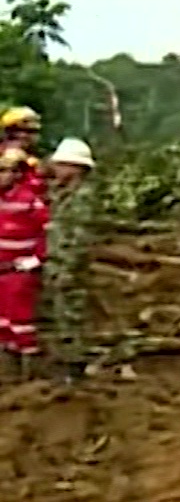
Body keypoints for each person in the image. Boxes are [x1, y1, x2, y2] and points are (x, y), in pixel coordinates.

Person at [41, 138, 97, 379]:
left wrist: (69, 270)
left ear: (76, 168)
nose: (57, 170)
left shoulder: (83, 199)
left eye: (62, 165)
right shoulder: (62, 194)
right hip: (56, 264)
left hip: (69, 268)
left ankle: (74, 367)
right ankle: (64, 364)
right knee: (59, 316)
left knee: (71, 318)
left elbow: (81, 239)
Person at [0, 147, 49, 372]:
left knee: (21, 320)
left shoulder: (29, 201)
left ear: (18, 174)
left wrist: (36, 259)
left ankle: (31, 368)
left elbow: (47, 232)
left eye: (4, 171)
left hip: (19, 271)